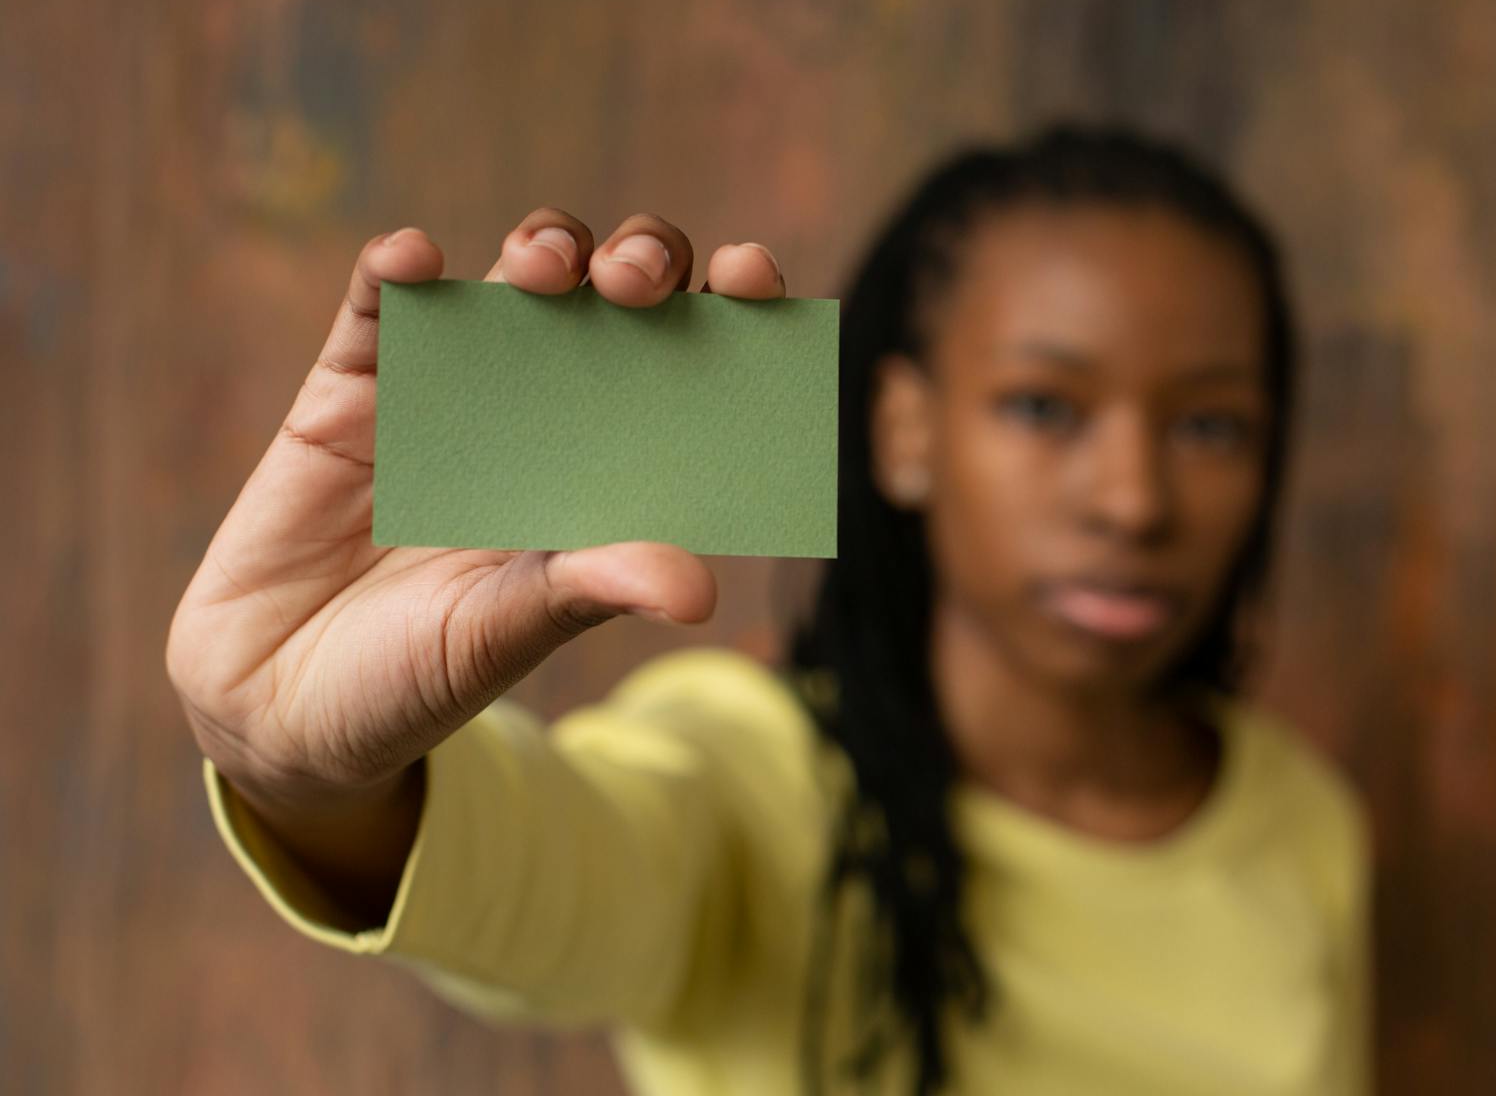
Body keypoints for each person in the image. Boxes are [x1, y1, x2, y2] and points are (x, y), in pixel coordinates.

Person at [168, 125, 1371, 1095]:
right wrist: (314, 780)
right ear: (904, 431)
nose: (1134, 499)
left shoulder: (1304, 819)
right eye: (1045, 408)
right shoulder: (756, 775)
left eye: (1210, 424)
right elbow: (559, 866)